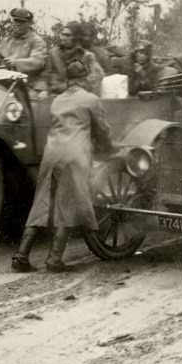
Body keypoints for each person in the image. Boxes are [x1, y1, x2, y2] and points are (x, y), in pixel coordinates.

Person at [11, 59, 115, 273]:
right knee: (67, 207)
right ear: (84, 79)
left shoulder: (57, 101)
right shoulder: (91, 99)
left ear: (68, 81)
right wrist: (108, 150)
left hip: (51, 155)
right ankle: (54, 260)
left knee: (41, 205)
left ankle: (20, 257)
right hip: (74, 157)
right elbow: (103, 131)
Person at [0, 7, 49, 93]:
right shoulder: (7, 40)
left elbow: (37, 61)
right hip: (3, 80)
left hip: (24, 84)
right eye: (16, 21)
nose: (18, 24)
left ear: (29, 24)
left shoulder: (36, 41)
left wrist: (16, 63)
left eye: (22, 22)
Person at [47, 21, 105, 96]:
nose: (63, 38)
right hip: (54, 93)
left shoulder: (87, 56)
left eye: (67, 35)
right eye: (62, 35)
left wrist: (73, 85)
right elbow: (45, 75)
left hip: (78, 94)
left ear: (76, 37)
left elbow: (97, 76)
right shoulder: (54, 53)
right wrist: (42, 90)